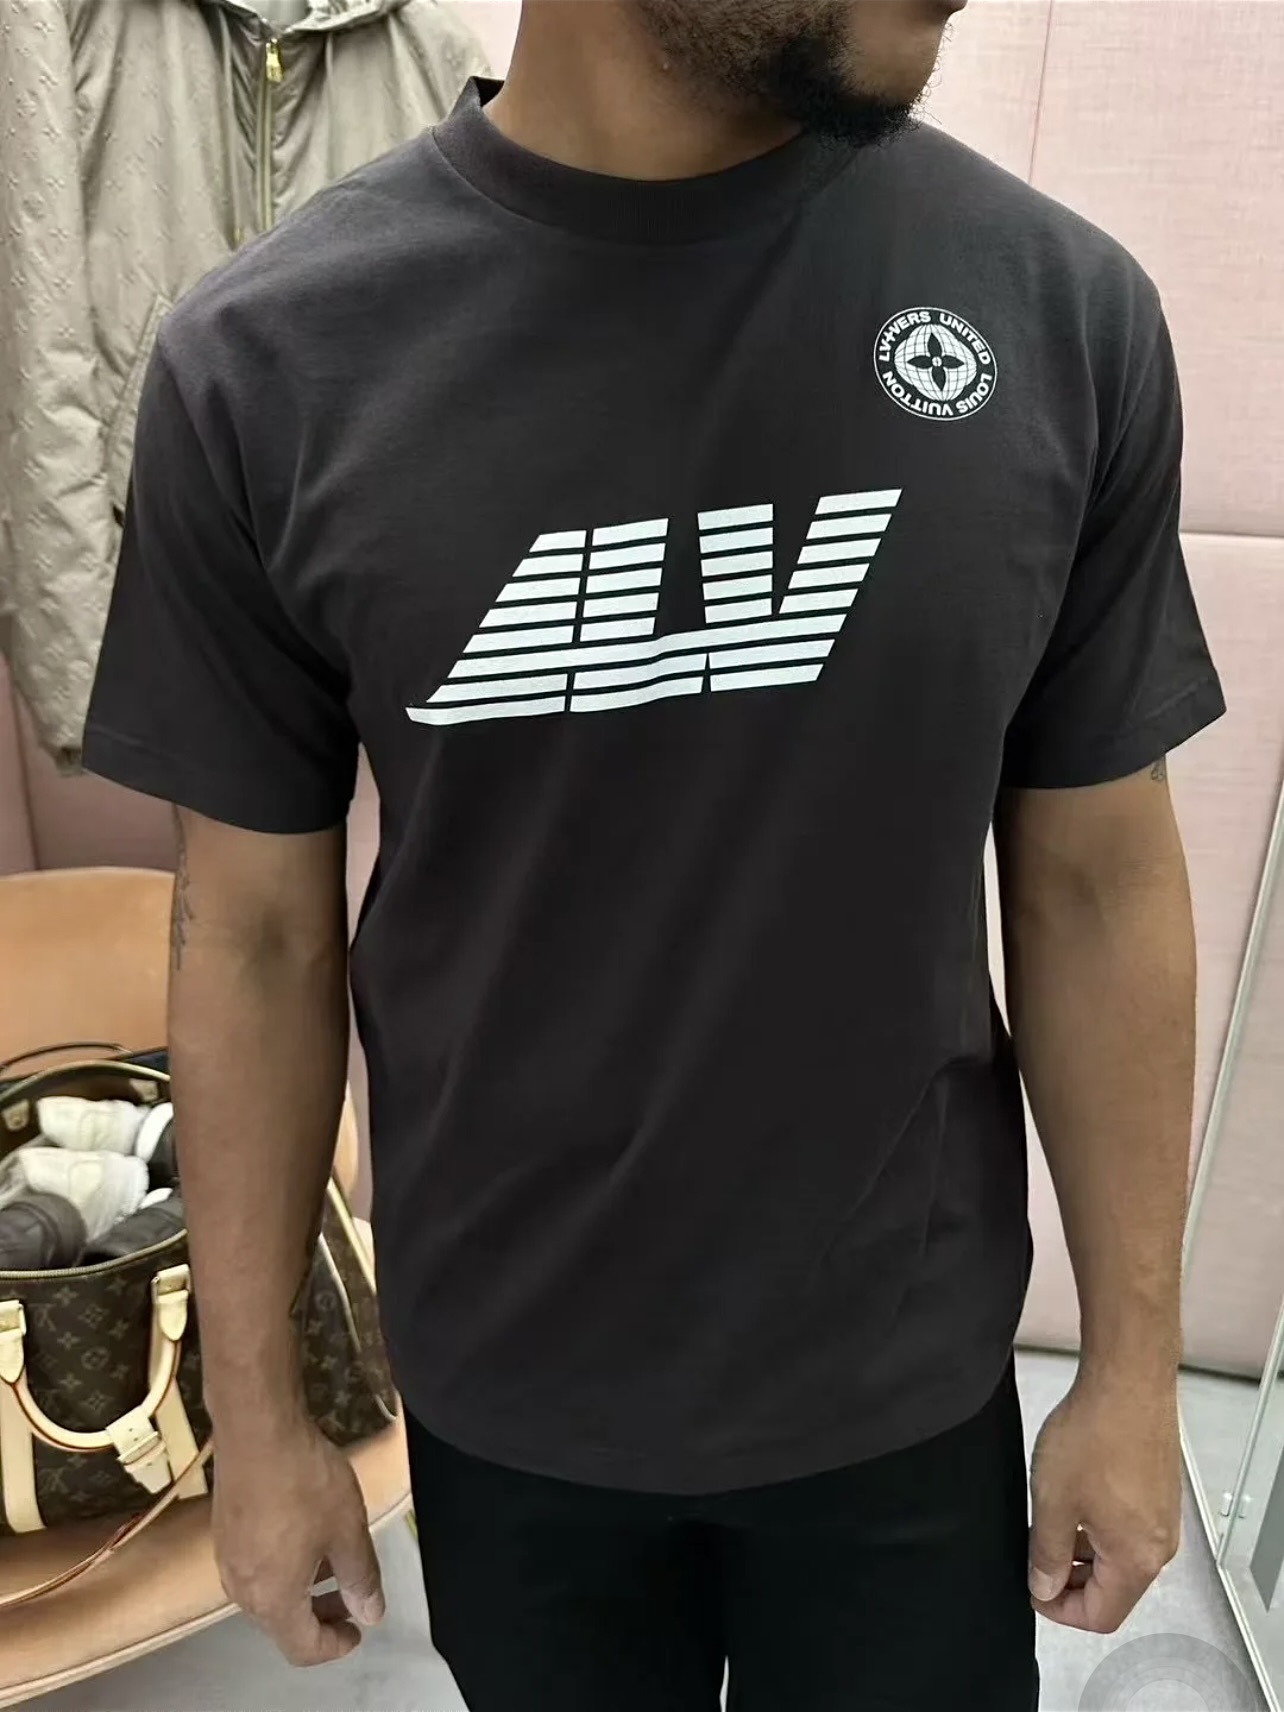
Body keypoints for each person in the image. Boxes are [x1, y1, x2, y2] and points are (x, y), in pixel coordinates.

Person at [84, 1, 1226, 1706]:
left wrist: (1133, 1371)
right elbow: (251, 935)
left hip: (901, 1386)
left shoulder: (1058, 314)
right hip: (509, 1395)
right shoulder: (268, 365)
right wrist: (256, 1420)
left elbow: (1097, 881)